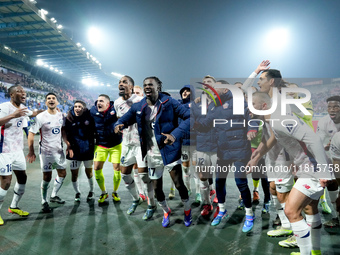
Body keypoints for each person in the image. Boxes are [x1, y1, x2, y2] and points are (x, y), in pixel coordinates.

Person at [247, 72, 332, 255]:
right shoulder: (273, 120)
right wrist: (255, 157)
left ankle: (306, 253)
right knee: (310, 207)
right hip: (306, 167)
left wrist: (324, 171)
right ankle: (315, 252)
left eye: (253, 105)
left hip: (313, 168)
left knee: (292, 211)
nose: (249, 109)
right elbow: (272, 140)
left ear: (263, 106)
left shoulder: (279, 118)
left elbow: (314, 140)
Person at [115, 76, 192, 227]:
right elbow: (125, 118)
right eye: (145, 85)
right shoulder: (139, 105)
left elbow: (190, 117)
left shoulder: (169, 102)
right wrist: (118, 124)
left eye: (151, 84)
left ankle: (187, 209)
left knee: (178, 184)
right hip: (151, 154)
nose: (147, 87)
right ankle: (165, 210)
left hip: (169, 150)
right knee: (156, 188)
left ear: (158, 87)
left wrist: (175, 134)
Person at [193, 80, 257, 232]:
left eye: (216, 87)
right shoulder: (213, 106)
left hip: (240, 148)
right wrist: (195, 123)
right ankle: (222, 210)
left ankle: (249, 214)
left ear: (226, 90)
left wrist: (251, 129)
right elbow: (206, 123)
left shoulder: (238, 102)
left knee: (240, 181)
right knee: (219, 181)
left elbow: (251, 118)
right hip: (223, 150)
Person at [114, 75, 156, 219]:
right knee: (125, 174)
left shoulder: (140, 101)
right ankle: (136, 199)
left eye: (124, 82)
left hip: (140, 144)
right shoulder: (117, 102)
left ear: (131, 87)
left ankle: (151, 204)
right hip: (126, 144)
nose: (121, 84)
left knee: (144, 175)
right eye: (119, 82)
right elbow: (119, 120)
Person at [0, 85, 35, 225]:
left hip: (18, 150)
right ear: (11, 94)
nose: (23, 93)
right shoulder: (4, 107)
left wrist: (49, 110)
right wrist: (14, 115)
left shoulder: (24, 109)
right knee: (6, 182)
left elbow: (33, 114)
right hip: (4, 150)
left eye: (24, 91)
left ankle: (13, 206)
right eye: (19, 91)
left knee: (22, 178)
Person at [27, 92, 67, 213]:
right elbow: (31, 133)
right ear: (46, 102)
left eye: (53, 98)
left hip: (59, 151)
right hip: (46, 152)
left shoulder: (61, 116)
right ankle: (44, 201)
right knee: (47, 177)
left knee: (63, 173)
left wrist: (68, 144)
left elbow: (63, 131)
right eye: (48, 98)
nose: (51, 100)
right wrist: (31, 151)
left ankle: (53, 195)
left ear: (57, 102)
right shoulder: (40, 117)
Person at [90, 94, 122, 203]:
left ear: (108, 104)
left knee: (117, 169)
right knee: (97, 168)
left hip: (115, 144)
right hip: (100, 145)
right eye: (98, 100)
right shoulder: (93, 111)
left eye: (101, 101)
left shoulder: (115, 109)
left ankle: (115, 191)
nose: (99, 103)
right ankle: (103, 193)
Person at [64, 100, 95, 202]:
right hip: (74, 151)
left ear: (84, 108)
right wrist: (68, 145)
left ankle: (91, 191)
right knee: (74, 174)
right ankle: (77, 192)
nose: (77, 108)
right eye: (75, 106)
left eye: (79, 107)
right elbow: (65, 132)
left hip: (87, 150)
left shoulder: (89, 117)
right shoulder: (69, 118)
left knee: (89, 172)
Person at [316, 95, 340, 226]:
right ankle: (336, 216)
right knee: (332, 183)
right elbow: (318, 140)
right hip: (332, 157)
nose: (332, 109)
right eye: (329, 107)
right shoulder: (324, 121)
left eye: (336, 106)